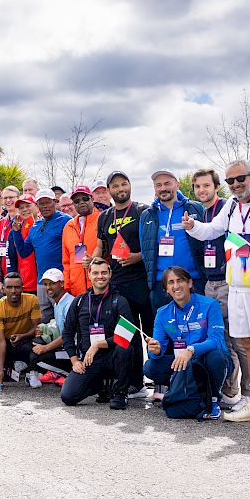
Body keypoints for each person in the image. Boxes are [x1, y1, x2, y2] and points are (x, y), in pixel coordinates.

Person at [184, 160, 250, 425]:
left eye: (241, 178)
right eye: (231, 181)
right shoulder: (230, 205)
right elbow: (211, 231)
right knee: (248, 343)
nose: (236, 184)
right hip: (237, 285)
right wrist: (192, 225)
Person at [185, 167, 248, 412]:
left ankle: (246, 393)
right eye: (197, 186)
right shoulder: (201, 213)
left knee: (237, 339)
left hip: (229, 281)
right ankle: (228, 389)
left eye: (206, 185)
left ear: (217, 187)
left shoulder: (227, 208)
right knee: (220, 338)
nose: (202, 190)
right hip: (209, 282)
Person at [93, 171, 152, 399]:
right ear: (109, 190)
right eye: (115, 186)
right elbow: (101, 247)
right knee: (128, 334)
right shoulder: (104, 217)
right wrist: (94, 261)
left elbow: (154, 244)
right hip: (118, 284)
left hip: (143, 282)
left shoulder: (142, 210)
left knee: (150, 332)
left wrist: (138, 256)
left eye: (124, 184)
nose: (120, 189)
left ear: (130, 185)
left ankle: (161, 382)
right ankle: (135, 383)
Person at [144, 266, 229, 419]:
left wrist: (191, 350)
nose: (176, 286)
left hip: (206, 359)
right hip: (182, 361)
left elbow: (217, 340)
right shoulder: (163, 313)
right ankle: (180, 392)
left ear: (190, 283)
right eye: (171, 282)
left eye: (180, 280)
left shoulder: (210, 305)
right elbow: (158, 349)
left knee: (216, 358)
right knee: (151, 367)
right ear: (166, 289)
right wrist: (154, 350)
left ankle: (213, 399)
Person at [59, 258, 134, 408]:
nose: (100, 276)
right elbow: (67, 333)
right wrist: (74, 361)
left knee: (125, 348)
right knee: (68, 397)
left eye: (104, 273)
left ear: (110, 274)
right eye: (96, 273)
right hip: (89, 360)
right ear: (89, 275)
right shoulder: (79, 301)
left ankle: (120, 392)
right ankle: (100, 386)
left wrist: (98, 344)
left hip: (112, 357)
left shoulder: (119, 301)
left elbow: (127, 334)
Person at [140, 169, 207, 315]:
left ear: (177, 184)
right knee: (167, 328)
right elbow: (146, 250)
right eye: (158, 185)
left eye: (167, 183)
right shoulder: (147, 215)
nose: (163, 188)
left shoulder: (194, 208)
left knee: (198, 326)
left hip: (194, 281)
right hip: (162, 286)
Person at [11, 189, 70, 321]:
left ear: (55, 202)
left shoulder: (66, 221)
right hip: (42, 281)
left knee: (64, 318)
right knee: (45, 321)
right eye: (41, 204)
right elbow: (24, 252)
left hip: (60, 280)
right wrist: (16, 232)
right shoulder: (35, 226)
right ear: (37, 206)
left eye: (48, 202)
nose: (45, 206)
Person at [0, 273, 42, 390]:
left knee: (40, 341)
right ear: (3, 289)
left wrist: (22, 336)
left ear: (23, 288)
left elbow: (36, 328)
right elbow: (0, 340)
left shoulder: (32, 300)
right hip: (6, 342)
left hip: (26, 339)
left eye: (17, 287)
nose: (13, 291)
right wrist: (1, 370)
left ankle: (32, 371)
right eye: (9, 287)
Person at [31, 269, 75, 384]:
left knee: (36, 358)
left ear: (62, 283)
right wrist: (44, 329)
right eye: (45, 284)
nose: (48, 287)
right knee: (35, 345)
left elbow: (68, 334)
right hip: (66, 346)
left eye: (52, 283)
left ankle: (70, 375)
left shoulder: (69, 303)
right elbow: (59, 325)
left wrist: (45, 348)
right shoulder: (58, 302)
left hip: (75, 350)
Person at [61, 185, 100, 297]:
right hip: (77, 290)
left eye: (85, 198)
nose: (81, 202)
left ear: (92, 199)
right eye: (77, 201)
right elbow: (66, 261)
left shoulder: (102, 219)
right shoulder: (69, 226)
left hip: (99, 286)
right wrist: (67, 287)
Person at [0, 185, 20, 282]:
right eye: (5, 198)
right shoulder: (1, 224)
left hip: (25, 274)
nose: (8, 200)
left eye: (11, 197)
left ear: (18, 198)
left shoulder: (26, 220)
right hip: (7, 276)